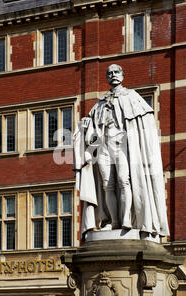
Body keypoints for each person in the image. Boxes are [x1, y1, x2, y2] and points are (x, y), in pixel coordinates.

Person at [73, 64, 170, 239]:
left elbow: (146, 121)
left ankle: (127, 219)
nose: (113, 75)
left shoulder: (132, 97)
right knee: (107, 185)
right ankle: (113, 222)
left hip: (123, 147)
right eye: (109, 73)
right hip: (103, 147)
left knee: (124, 180)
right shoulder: (100, 103)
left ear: (123, 76)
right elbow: (90, 126)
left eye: (116, 72)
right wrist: (86, 124)